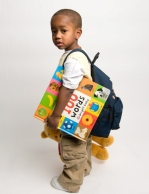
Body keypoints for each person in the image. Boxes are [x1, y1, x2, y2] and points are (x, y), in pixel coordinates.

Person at [46, 9, 92, 193]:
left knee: (71, 144)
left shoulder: (72, 59)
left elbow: (67, 88)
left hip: (73, 112)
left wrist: (56, 116)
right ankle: (84, 169)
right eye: (53, 31)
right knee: (83, 140)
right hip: (84, 109)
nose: (57, 35)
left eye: (63, 30)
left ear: (77, 33)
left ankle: (70, 182)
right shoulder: (76, 54)